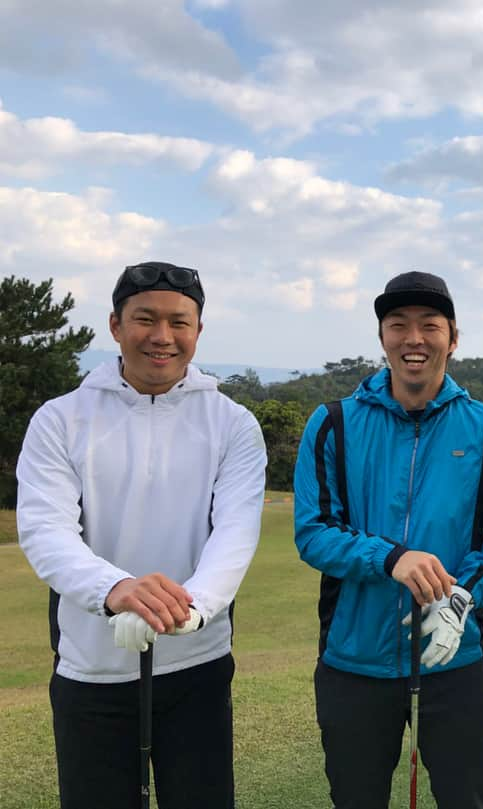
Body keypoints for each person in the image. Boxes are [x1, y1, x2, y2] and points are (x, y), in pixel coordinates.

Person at [16, 261, 268, 809]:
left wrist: (192, 609)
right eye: (145, 319)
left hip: (197, 663)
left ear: (198, 331)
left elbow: (235, 531)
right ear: (114, 325)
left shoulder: (232, 424)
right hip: (92, 669)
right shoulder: (60, 420)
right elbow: (45, 529)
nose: (162, 337)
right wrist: (115, 590)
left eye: (179, 322)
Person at [293, 270, 483, 809]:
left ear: (453, 337)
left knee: (466, 799)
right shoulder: (332, 422)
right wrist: (392, 558)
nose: (414, 338)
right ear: (383, 338)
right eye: (398, 325)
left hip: (453, 657)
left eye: (430, 325)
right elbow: (313, 533)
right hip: (354, 660)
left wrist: (459, 592)